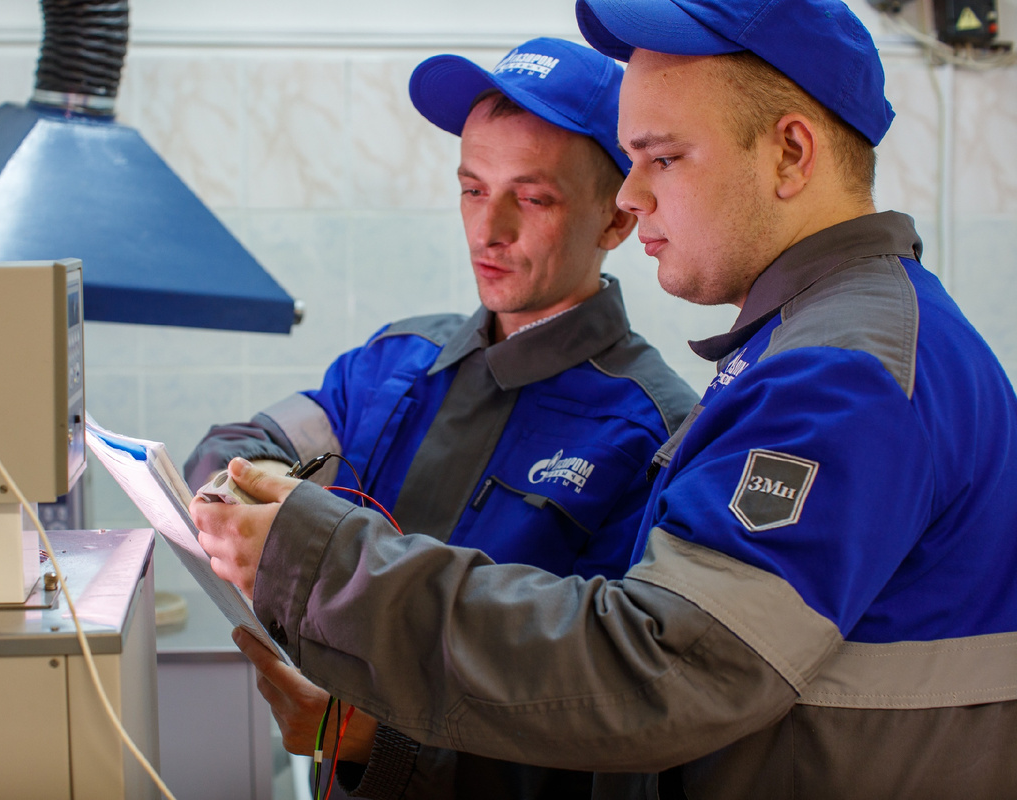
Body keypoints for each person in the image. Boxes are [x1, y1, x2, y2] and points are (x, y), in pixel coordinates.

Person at [193, 0, 1017, 796]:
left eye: (662, 158)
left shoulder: (837, 374)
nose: (632, 195)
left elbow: (664, 669)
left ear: (791, 155)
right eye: (472, 187)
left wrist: (328, 565)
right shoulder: (820, 346)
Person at [184, 37, 696, 799]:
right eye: (471, 187)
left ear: (616, 222)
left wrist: (371, 742)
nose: (488, 229)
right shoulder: (392, 363)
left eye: (532, 198)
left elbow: (615, 730)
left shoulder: (655, 435)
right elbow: (237, 446)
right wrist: (234, 504)